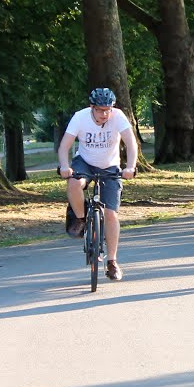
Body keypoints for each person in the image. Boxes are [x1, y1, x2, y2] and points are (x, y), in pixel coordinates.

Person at [58, 87, 138, 282]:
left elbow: (131, 142)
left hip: (110, 166)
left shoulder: (118, 116)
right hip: (84, 162)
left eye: (107, 109)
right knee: (75, 183)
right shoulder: (80, 117)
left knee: (110, 214)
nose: (104, 114)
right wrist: (65, 166)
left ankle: (112, 261)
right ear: (91, 107)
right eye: (100, 110)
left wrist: (130, 167)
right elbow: (64, 146)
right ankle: (80, 219)